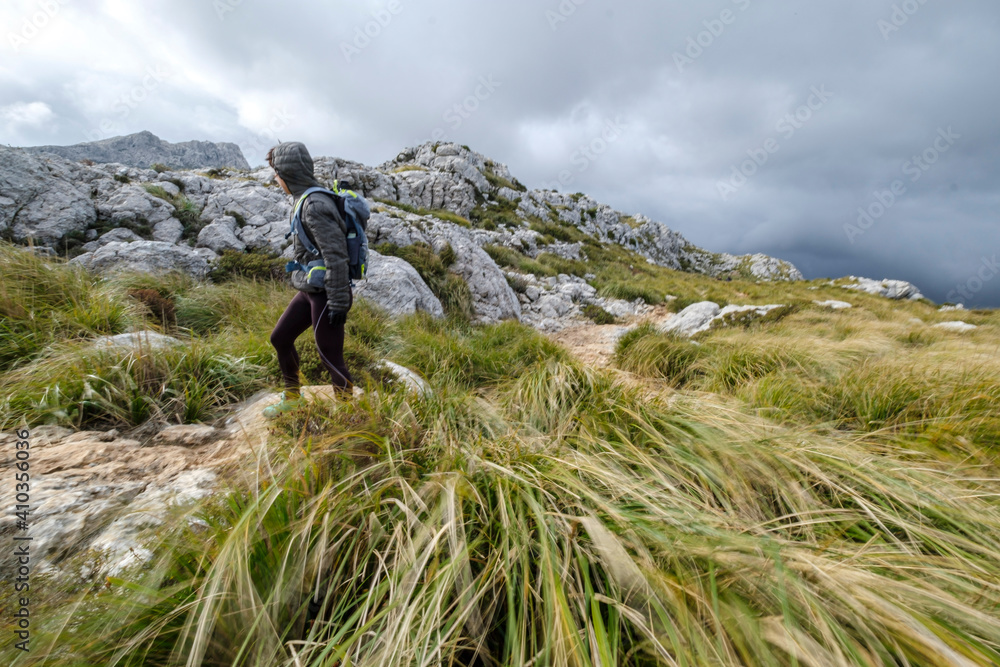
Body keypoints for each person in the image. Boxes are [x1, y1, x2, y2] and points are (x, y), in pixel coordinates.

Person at [263, 141, 353, 418]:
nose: (276, 180)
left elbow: (336, 256)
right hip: (311, 288)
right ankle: (293, 398)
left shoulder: (314, 205)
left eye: (276, 175)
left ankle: (351, 420)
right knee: (280, 338)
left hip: (327, 293)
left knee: (330, 356)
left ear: (286, 174)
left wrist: (338, 301)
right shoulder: (304, 198)